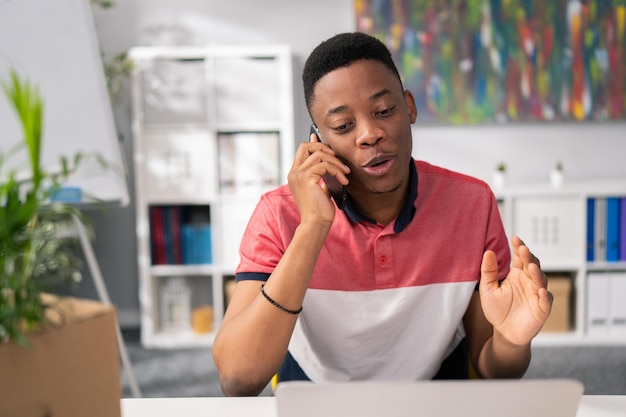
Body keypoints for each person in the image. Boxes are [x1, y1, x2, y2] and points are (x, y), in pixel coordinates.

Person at [212, 32, 552, 397]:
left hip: (432, 399)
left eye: (385, 111)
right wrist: (313, 225)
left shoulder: (472, 202)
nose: (370, 134)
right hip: (317, 400)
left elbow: (494, 370)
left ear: (409, 107)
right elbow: (238, 379)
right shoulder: (278, 213)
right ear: (318, 141)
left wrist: (513, 340)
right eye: (343, 126)